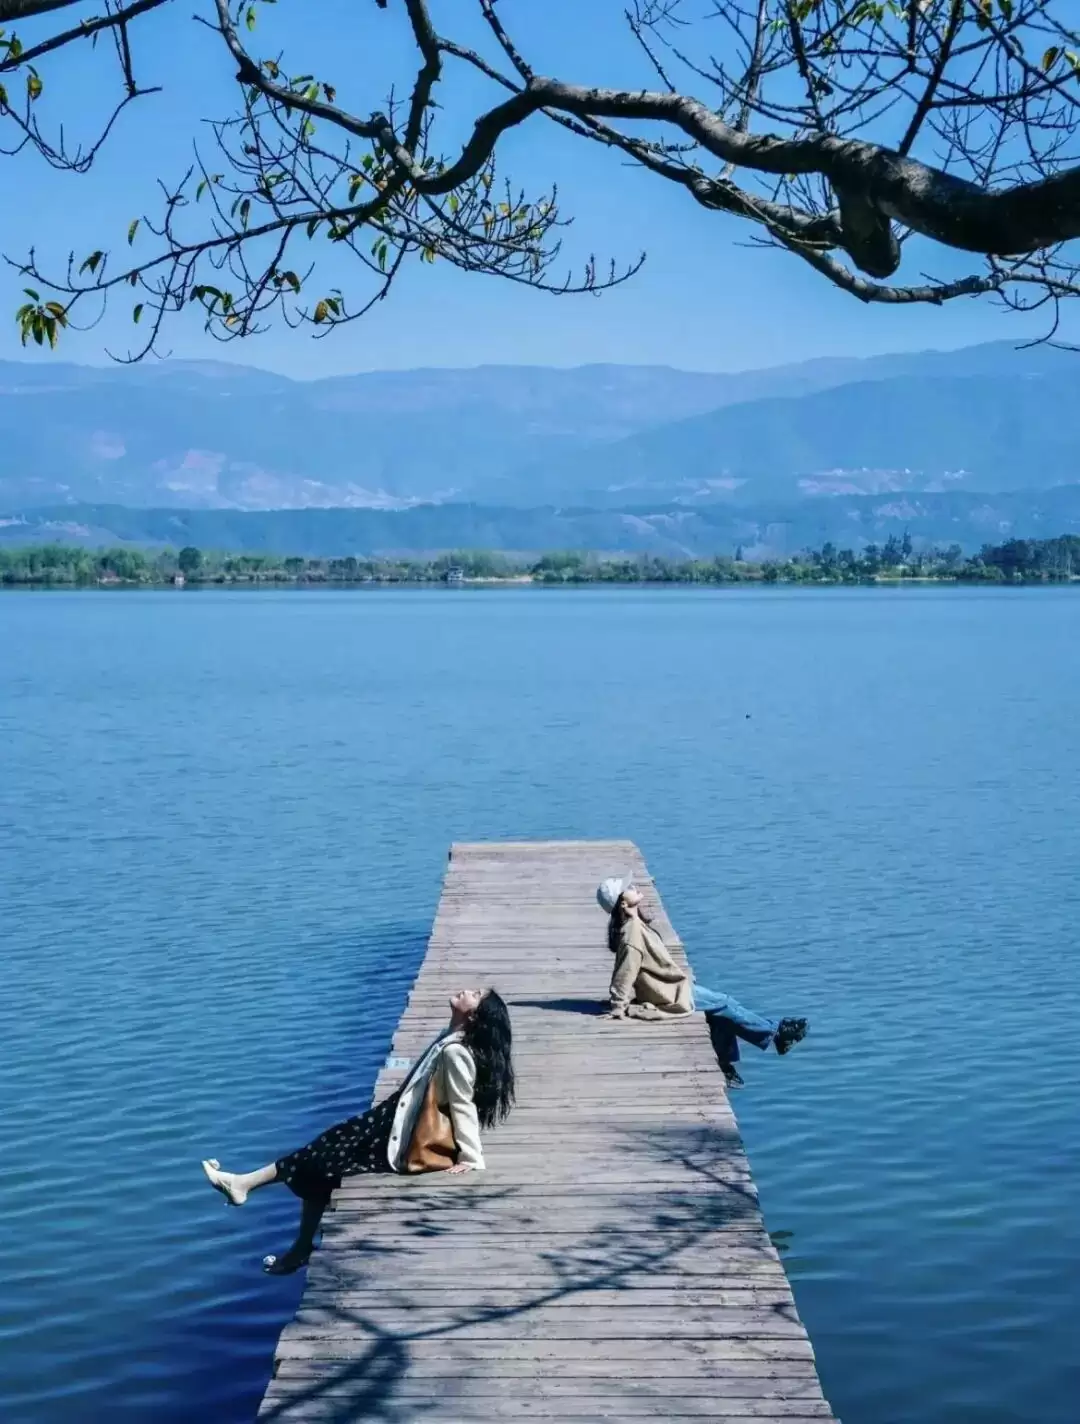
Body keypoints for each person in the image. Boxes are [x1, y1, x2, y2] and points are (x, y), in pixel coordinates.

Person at [200, 987, 514, 1274]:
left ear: (473, 1014)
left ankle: (250, 1193)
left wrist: (472, 1157)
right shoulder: (450, 1038)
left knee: (318, 1159)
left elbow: (462, 1104)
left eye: (474, 994)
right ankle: (289, 1236)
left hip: (398, 1134)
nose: (466, 990)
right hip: (387, 1118)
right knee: (319, 1159)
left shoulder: (455, 1051)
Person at [597, 876, 807, 1089]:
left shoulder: (635, 925)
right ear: (622, 903)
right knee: (724, 1003)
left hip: (671, 987)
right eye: (627, 888)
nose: (633, 886)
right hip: (668, 992)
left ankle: (728, 1063)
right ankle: (773, 1036)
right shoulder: (631, 931)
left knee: (720, 1009)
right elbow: (625, 970)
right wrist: (618, 1005)